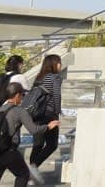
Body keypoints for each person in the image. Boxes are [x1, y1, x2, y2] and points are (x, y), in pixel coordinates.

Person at [0, 82, 60, 187]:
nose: (23, 98)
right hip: (8, 151)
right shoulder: (19, 111)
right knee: (23, 174)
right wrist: (48, 126)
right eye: (22, 95)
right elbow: (34, 130)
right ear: (17, 95)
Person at [28, 54, 64, 182]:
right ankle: (33, 167)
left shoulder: (39, 77)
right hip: (49, 114)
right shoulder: (55, 77)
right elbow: (56, 96)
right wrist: (57, 112)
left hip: (35, 114)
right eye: (59, 62)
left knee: (37, 144)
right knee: (52, 144)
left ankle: (31, 175)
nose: (61, 65)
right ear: (54, 64)